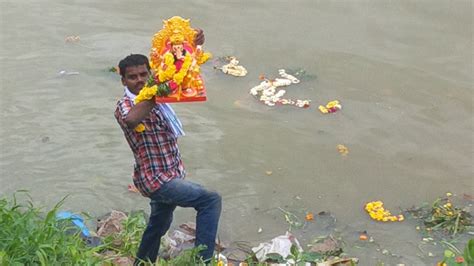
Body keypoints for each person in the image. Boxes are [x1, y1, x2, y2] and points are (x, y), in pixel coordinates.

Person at [114, 30, 221, 264]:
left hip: (172, 172)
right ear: (123, 81)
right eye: (133, 77)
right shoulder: (125, 106)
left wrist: (192, 44)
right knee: (210, 200)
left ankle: (143, 262)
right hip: (156, 179)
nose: (140, 80)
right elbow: (132, 120)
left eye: (144, 74)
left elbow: (177, 65)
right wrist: (155, 92)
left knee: (159, 225)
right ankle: (202, 261)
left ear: (150, 73)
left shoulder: (157, 93)